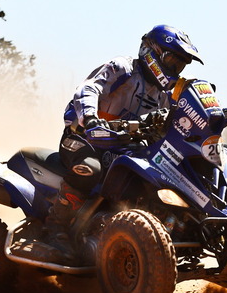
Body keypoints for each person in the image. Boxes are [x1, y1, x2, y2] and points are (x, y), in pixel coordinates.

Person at [44, 24, 204, 265]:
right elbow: (88, 88)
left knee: (161, 178)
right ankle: (56, 229)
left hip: (126, 148)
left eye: (180, 65)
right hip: (84, 138)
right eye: (172, 61)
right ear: (153, 52)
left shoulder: (165, 94)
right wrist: (90, 118)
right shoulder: (123, 68)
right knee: (90, 169)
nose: (175, 69)